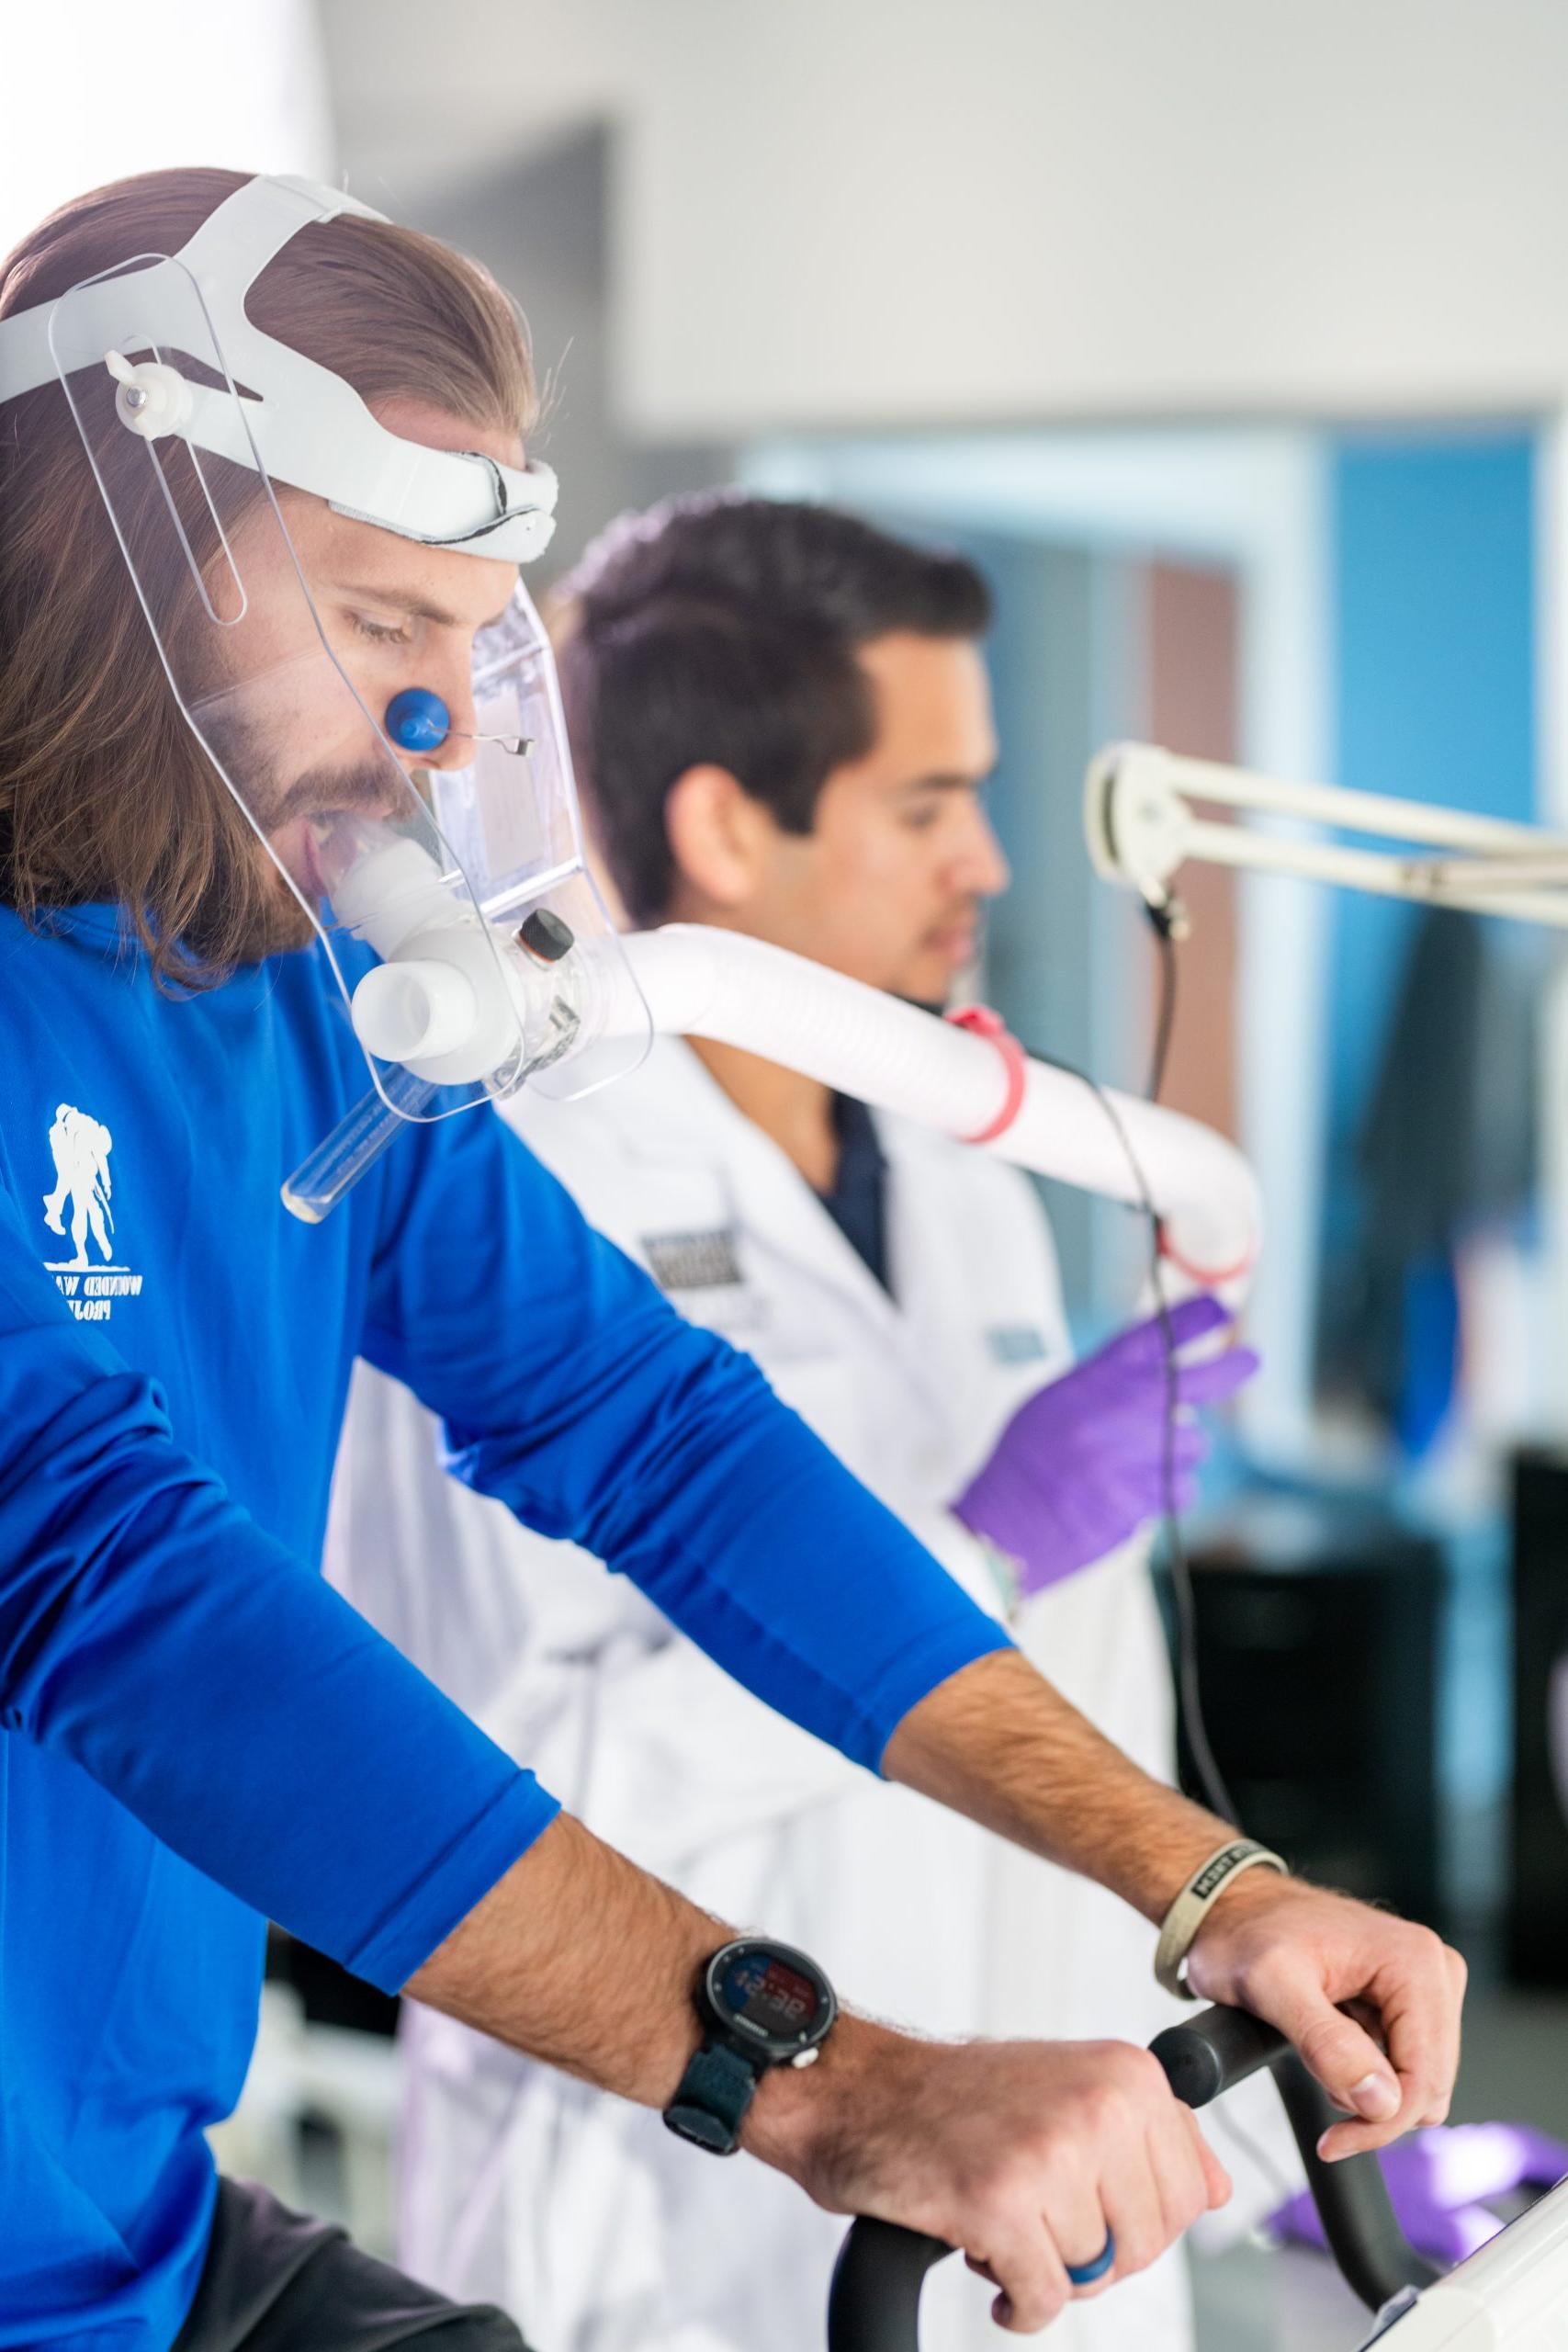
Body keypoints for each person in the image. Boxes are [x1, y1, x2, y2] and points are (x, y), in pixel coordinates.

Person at [0, 167, 1464, 2352]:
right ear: (96, 541)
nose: (439, 733)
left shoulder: (278, 977)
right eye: (370, 623)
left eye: (458, 637)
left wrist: (1198, 1876)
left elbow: (641, 1421)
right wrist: (831, 2081)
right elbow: (111, 1589)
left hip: (129, 2221)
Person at [329, 492, 1258, 2350]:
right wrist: (980, 1536)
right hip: (681, 2209)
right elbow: (481, 1787)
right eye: (927, 802)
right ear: (723, 822)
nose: (986, 858)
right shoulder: (503, 1184)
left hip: (1035, 2173)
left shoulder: (966, 1159)